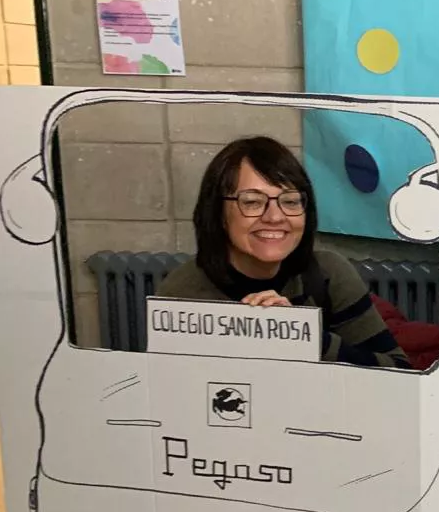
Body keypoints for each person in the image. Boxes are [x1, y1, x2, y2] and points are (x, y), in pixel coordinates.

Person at [157, 135, 409, 369]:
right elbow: (173, 396)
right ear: (219, 214)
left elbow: (401, 372)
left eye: (289, 201)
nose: (275, 217)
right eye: (252, 202)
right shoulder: (183, 294)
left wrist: (304, 337)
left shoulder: (329, 273)